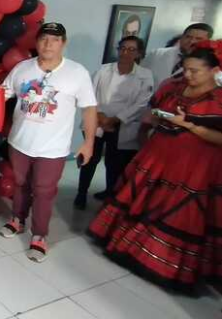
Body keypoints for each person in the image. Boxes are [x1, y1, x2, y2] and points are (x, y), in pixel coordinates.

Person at [89, 43, 222, 290]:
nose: (188, 75)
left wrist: (190, 126)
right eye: (186, 69)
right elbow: (152, 111)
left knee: (176, 210)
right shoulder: (173, 87)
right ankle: (128, 247)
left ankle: (160, 262)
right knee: (143, 200)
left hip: (192, 165)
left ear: (214, 71)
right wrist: (151, 123)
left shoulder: (218, 100)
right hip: (158, 155)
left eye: (195, 71)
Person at [0, 23, 97, 262]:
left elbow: (89, 108)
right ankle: (17, 220)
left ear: (63, 43)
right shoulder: (22, 68)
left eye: (55, 40)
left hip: (53, 148)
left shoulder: (77, 72)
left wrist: (89, 142)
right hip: (20, 142)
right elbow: (2, 94)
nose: (48, 44)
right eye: (44, 39)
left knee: (43, 191)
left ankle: (39, 235)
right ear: (37, 42)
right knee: (20, 184)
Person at [74, 36, 154, 209]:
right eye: (122, 48)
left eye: (131, 49)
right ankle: (81, 193)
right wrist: (100, 116)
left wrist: (115, 119)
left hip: (123, 124)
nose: (125, 52)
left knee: (114, 163)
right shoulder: (104, 70)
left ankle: (110, 194)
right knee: (90, 159)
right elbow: (89, 93)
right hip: (97, 120)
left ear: (139, 53)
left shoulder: (145, 75)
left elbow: (141, 103)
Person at [142, 23, 213, 88]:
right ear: (182, 37)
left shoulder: (210, 65)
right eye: (188, 37)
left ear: (208, 42)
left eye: (198, 39)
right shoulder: (157, 54)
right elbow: (139, 76)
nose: (192, 41)